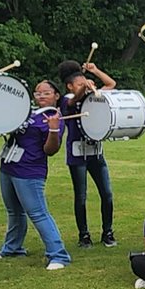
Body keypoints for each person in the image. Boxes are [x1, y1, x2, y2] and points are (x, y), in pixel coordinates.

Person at [0, 80, 73, 270]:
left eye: (46, 93)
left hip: (29, 171)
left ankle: (59, 255)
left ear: (56, 96)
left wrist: (52, 129)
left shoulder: (55, 117)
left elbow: (51, 150)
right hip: (9, 165)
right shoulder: (28, 111)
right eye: (37, 93)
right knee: (14, 211)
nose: (41, 96)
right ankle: (12, 248)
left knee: (38, 213)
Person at [55, 60, 118, 248]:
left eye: (85, 82)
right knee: (81, 196)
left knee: (107, 194)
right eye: (79, 84)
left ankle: (108, 232)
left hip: (96, 153)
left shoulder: (92, 96)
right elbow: (75, 100)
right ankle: (84, 235)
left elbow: (111, 85)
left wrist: (95, 70)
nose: (84, 86)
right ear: (70, 86)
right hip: (77, 155)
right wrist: (83, 89)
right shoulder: (66, 100)